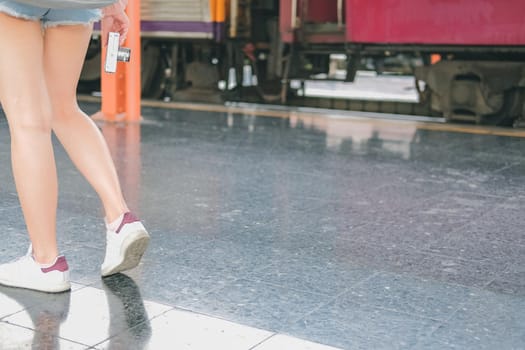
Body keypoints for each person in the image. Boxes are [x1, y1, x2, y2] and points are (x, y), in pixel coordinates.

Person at [0, 0, 150, 293]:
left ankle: (46, 262)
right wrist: (114, 5)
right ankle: (120, 218)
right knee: (64, 108)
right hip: (77, 2)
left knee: (28, 120)